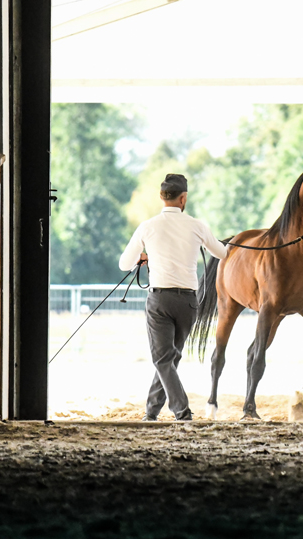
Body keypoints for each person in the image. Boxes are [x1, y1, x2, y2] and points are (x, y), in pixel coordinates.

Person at [119, 173, 228, 421]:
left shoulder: (147, 227)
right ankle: (152, 411)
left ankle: (182, 411)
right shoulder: (197, 226)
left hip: (159, 301)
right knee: (169, 358)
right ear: (183, 198)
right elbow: (221, 253)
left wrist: (143, 257)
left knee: (163, 359)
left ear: (161, 197)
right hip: (188, 302)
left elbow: (124, 264)